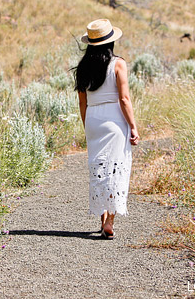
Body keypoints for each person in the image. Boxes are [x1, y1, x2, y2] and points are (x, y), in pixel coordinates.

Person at [74, 19, 139, 239]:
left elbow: (82, 103)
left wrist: (87, 125)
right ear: (110, 42)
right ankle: (110, 220)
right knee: (116, 168)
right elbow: (124, 99)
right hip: (114, 119)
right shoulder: (118, 64)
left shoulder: (83, 67)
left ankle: (102, 218)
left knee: (98, 168)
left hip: (93, 118)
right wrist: (133, 126)